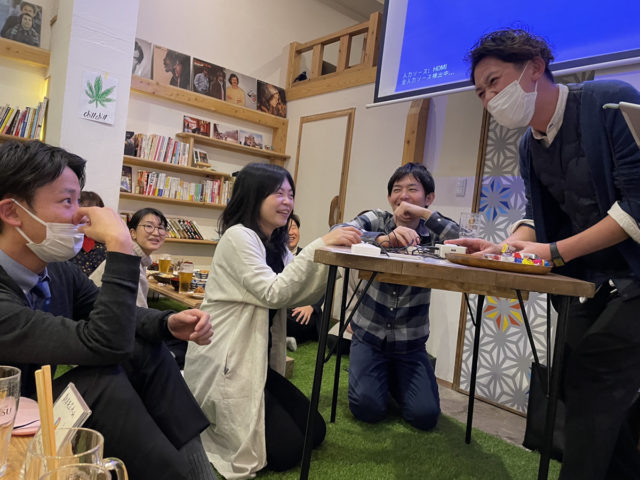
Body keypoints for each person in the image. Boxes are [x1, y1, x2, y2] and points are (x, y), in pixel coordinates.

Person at [455, 28, 640, 480]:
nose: (489, 99)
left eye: (494, 83)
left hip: (634, 281)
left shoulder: (609, 103)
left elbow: (636, 207)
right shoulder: (528, 145)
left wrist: (553, 252)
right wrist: (501, 248)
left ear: (535, 67)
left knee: (595, 378)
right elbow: (541, 218)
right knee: (573, 386)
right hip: (588, 283)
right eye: (481, 93)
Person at [0, 140, 217, 480]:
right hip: (5, 429)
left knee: (145, 351)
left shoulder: (56, 271)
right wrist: (120, 245)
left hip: (31, 409)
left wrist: (167, 322)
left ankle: (198, 475)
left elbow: (107, 311)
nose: (80, 214)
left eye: (78, 200)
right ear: (12, 212)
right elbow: (106, 342)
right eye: (66, 201)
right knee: (102, 384)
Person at [184, 163, 362, 479]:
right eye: (278, 193)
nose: (287, 202)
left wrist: (340, 248)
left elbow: (298, 286)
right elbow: (274, 292)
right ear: (254, 195)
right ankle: (200, 419)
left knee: (315, 432)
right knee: (287, 451)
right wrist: (323, 243)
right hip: (229, 360)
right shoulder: (238, 237)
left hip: (257, 363)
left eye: (290, 194)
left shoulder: (275, 243)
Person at [333, 162, 459, 431]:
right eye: (397, 190)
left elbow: (467, 240)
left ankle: (391, 379)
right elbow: (339, 230)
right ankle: (380, 379)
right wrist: (383, 239)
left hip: (410, 344)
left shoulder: (433, 232)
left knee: (424, 417)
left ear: (429, 197)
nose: (403, 196)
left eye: (412, 189)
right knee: (367, 409)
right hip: (369, 337)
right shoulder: (379, 219)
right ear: (389, 197)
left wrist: (423, 214)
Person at [90, 207, 168, 308]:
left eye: (161, 228)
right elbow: (138, 310)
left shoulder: (134, 257)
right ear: (132, 233)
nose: (156, 233)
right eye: (149, 226)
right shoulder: (129, 261)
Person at [285, 214, 323, 346]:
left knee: (296, 320)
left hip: (304, 311)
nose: (290, 233)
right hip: (283, 307)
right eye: (286, 229)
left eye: (293, 227)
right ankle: (284, 338)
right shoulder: (274, 257)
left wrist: (311, 306)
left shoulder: (308, 256)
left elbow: (321, 285)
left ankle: (282, 336)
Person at [69, 191, 107, 276]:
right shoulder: (66, 242)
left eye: (93, 215)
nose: (87, 220)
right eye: (83, 214)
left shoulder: (106, 245)